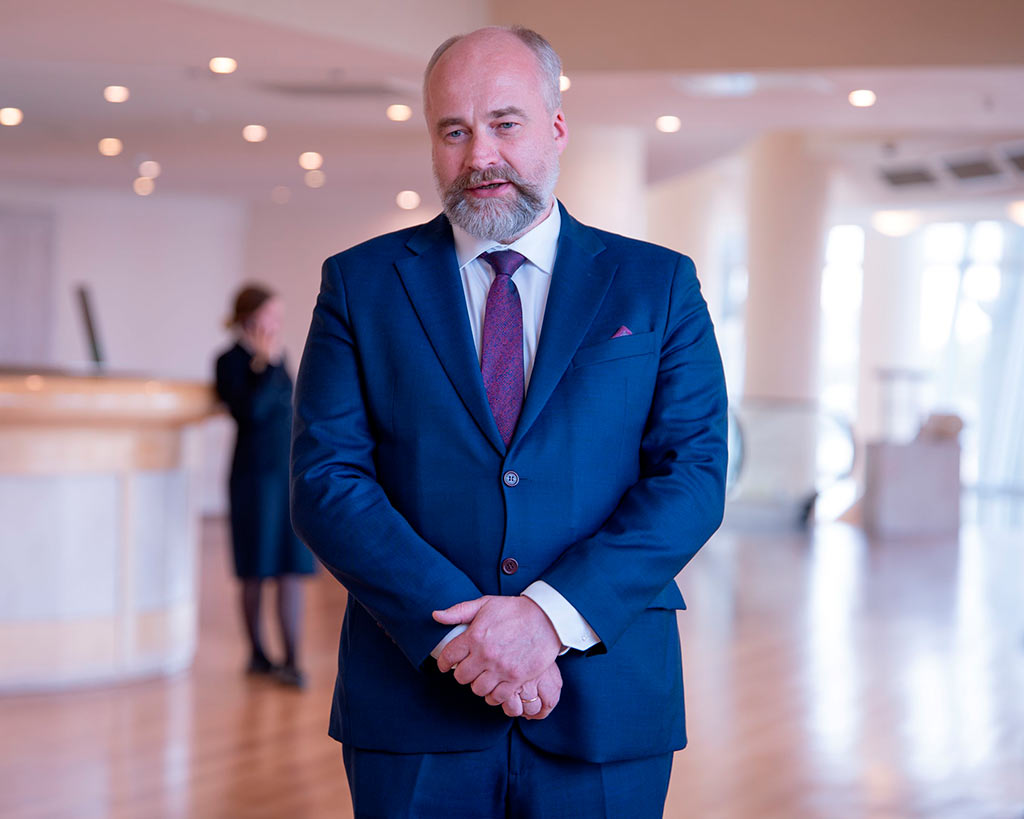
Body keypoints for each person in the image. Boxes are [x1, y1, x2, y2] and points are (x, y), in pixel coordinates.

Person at [291, 25, 727, 817]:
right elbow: (327, 481)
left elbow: (693, 477)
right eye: (453, 131)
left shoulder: (658, 284)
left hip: (606, 697)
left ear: (556, 128)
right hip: (416, 698)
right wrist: (469, 639)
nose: (479, 155)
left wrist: (547, 619)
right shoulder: (359, 285)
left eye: (504, 123)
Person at [215, 284, 314, 688]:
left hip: (286, 475)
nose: (276, 323)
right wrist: (262, 364)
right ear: (248, 317)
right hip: (253, 479)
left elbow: (291, 410)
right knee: (255, 569)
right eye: (270, 315)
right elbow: (250, 412)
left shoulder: (278, 356)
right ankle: (257, 655)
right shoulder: (228, 361)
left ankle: (293, 661)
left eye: (278, 316)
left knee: (292, 568)